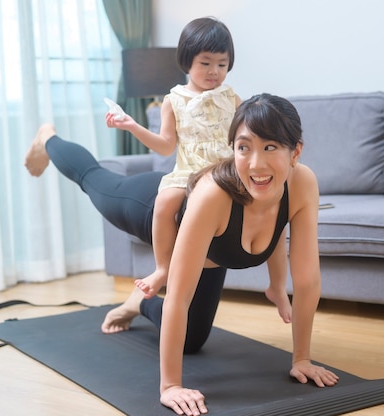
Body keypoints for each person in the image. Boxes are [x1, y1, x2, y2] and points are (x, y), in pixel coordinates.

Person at [24, 93, 339, 415]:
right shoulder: (213, 195)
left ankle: (139, 302)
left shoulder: (302, 184)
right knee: (93, 179)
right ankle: (48, 137)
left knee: (192, 341)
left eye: (270, 147)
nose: (256, 163)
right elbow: (177, 295)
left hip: (210, 252)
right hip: (148, 209)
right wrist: (171, 386)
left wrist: (302, 359)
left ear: (295, 151)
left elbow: (307, 282)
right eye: (244, 147)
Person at [106, 17, 291, 323]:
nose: (214, 71)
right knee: (165, 202)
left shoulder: (232, 99)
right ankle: (163, 267)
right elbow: (166, 145)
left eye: (222, 64)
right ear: (187, 61)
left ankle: (277, 286)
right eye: (206, 63)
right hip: (190, 173)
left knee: (272, 207)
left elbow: (249, 138)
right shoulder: (173, 100)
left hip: (229, 174)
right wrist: (132, 126)